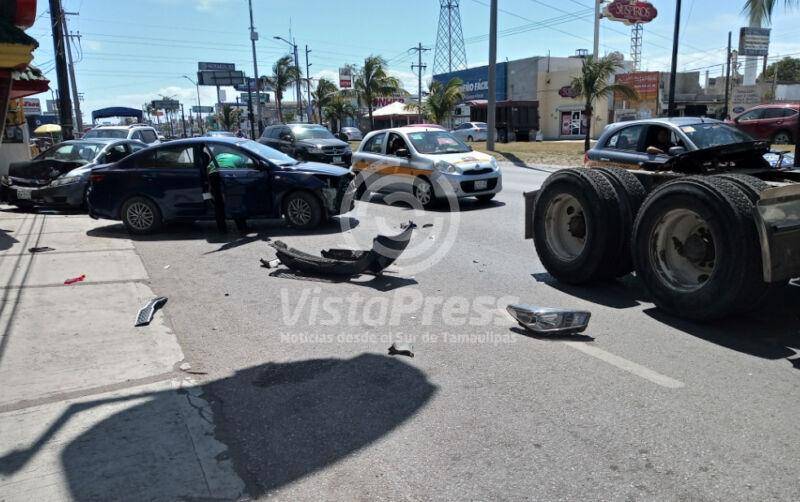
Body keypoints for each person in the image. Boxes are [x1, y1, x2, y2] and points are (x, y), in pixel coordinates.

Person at [206, 149, 249, 234]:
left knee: (219, 204)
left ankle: (222, 229)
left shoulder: (218, 157)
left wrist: (210, 185)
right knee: (234, 202)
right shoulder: (239, 158)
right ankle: (242, 227)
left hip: (214, 175)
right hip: (228, 175)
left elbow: (208, 168)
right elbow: (245, 173)